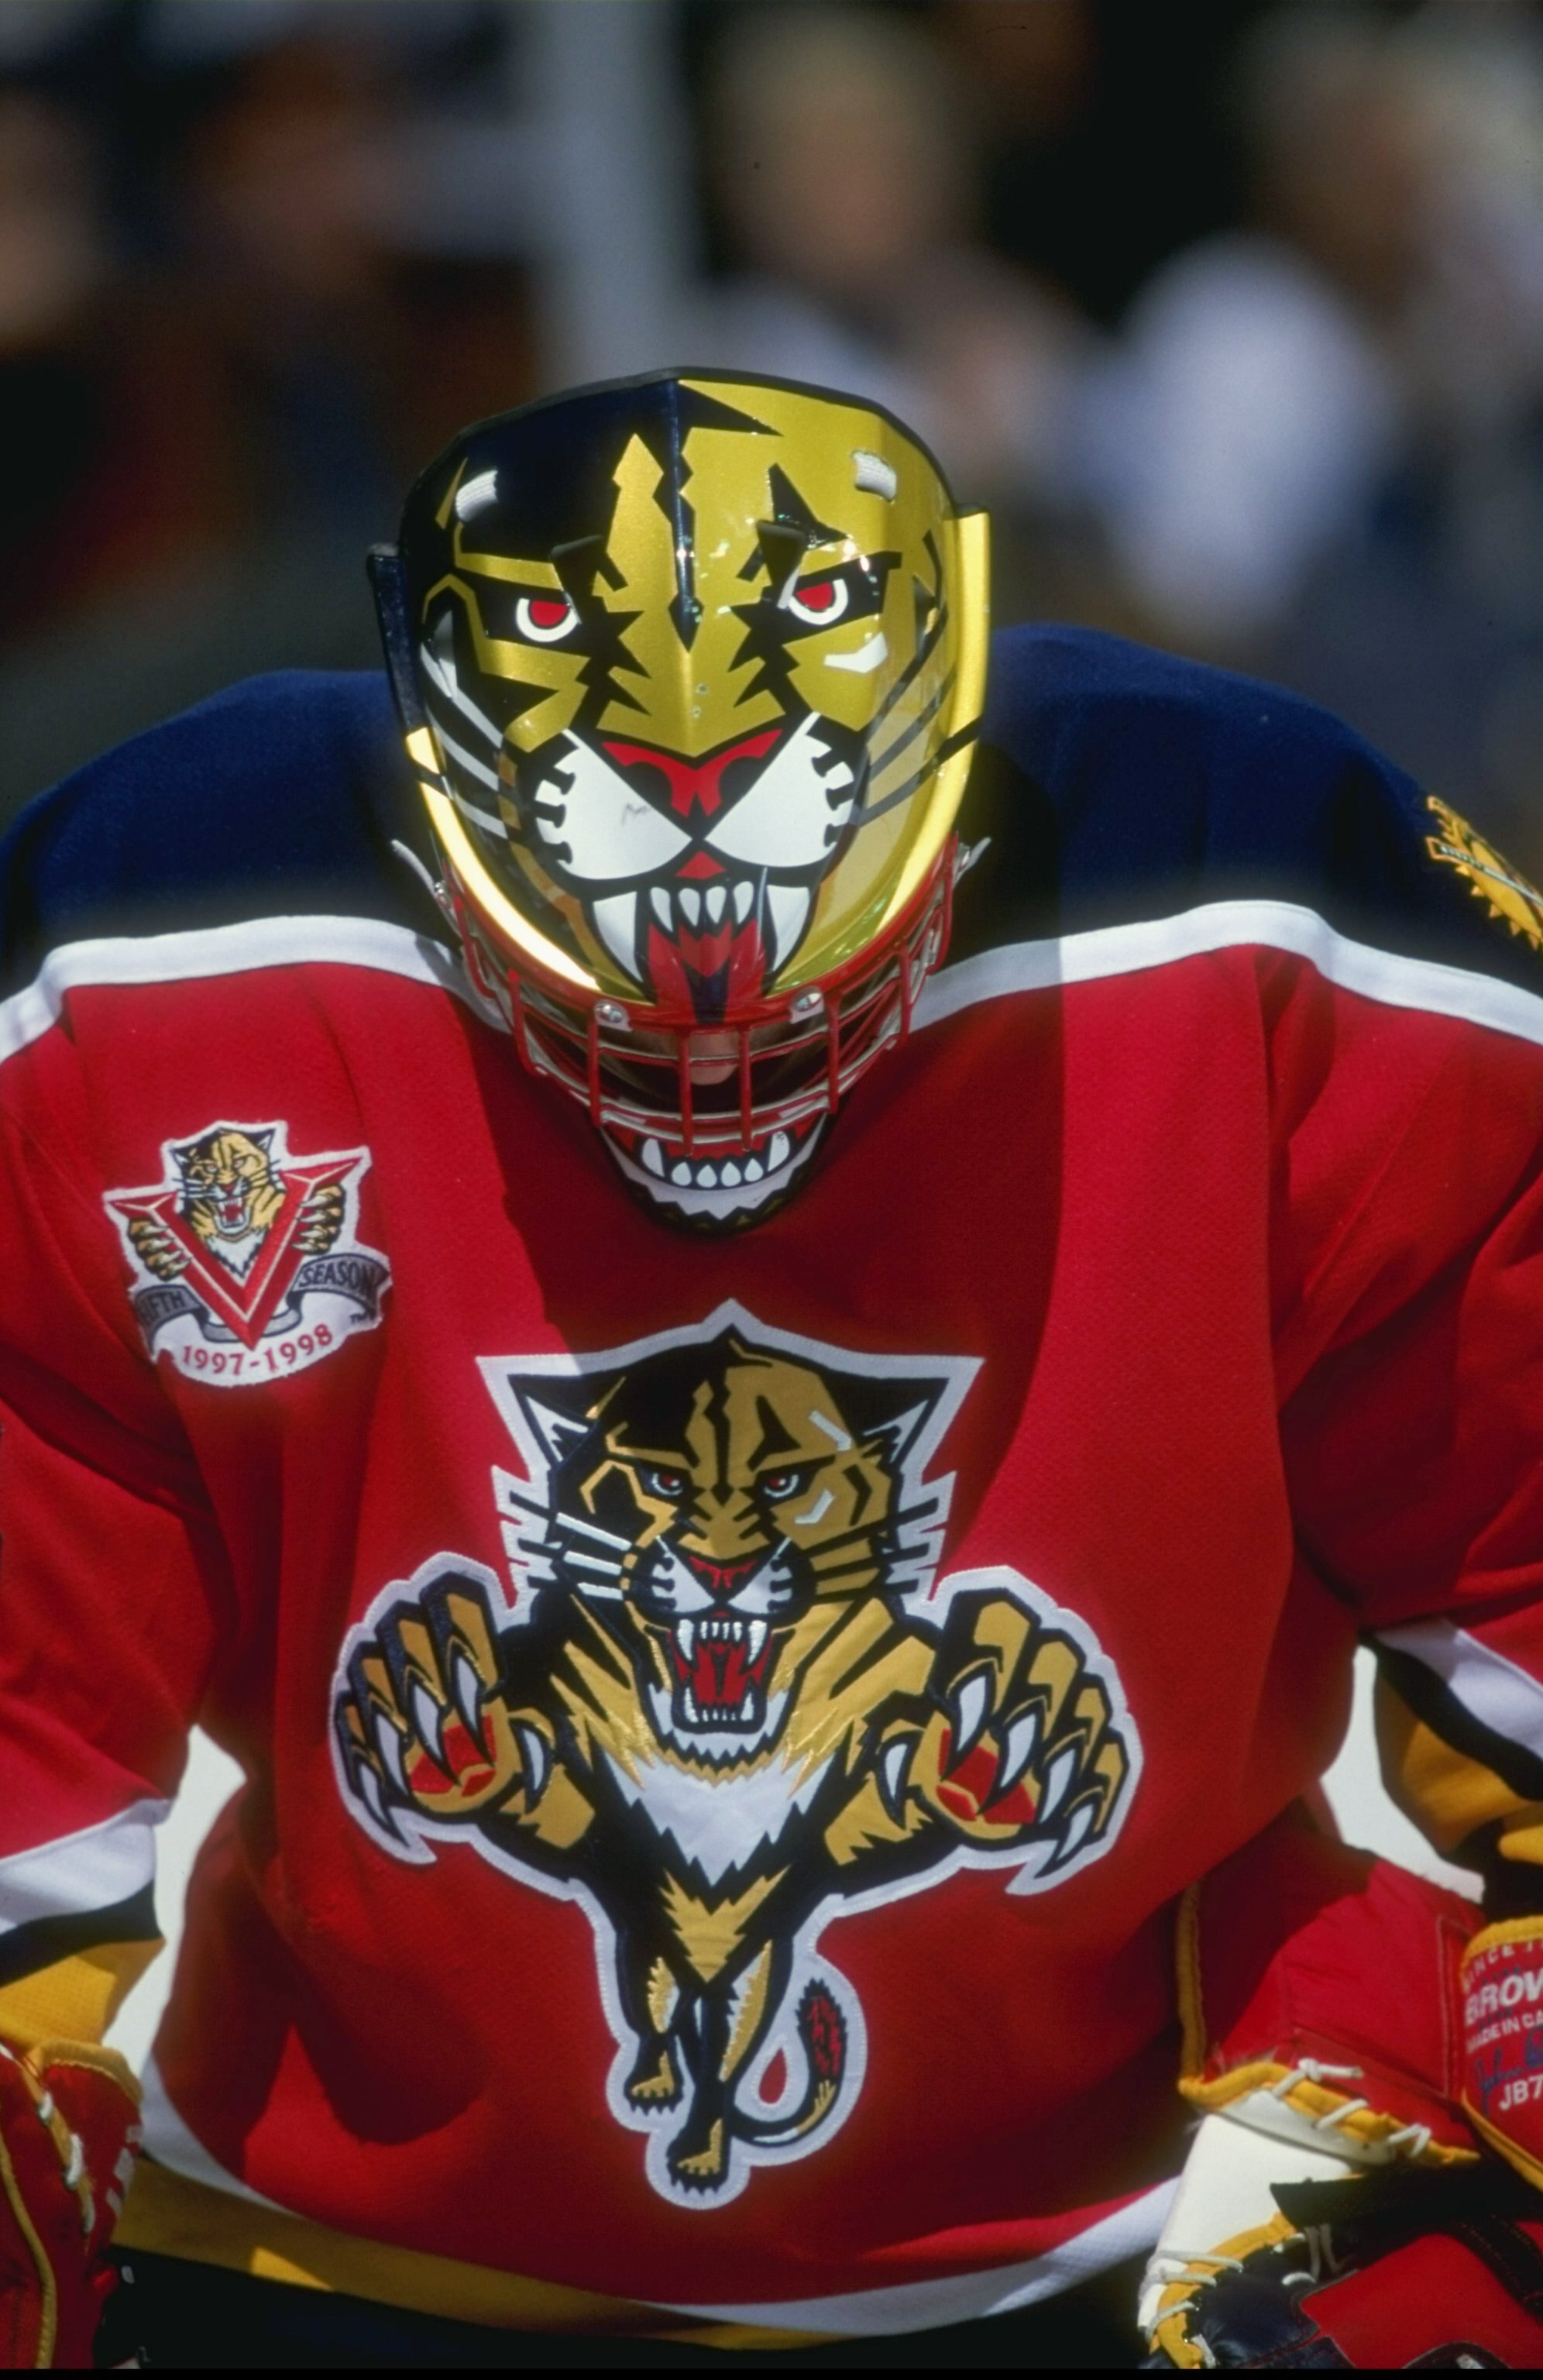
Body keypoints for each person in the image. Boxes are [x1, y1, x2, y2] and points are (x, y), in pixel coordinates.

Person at [1, 370, 1541, 2368]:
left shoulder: (1287, 913)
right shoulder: (141, 942)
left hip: (1123, 2240)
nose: (708, 1074)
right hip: (325, 2241)